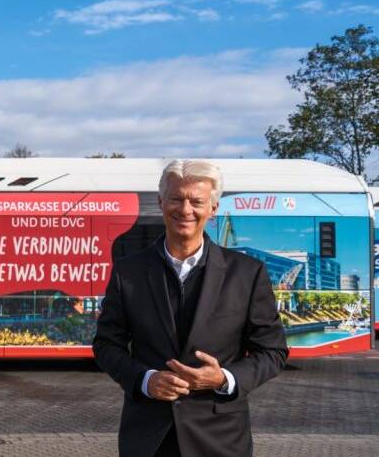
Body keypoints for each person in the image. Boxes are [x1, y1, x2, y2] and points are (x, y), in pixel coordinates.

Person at [93, 159, 288, 457]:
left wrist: (224, 378)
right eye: (176, 199)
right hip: (148, 440)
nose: (185, 210)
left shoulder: (248, 273)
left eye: (196, 201)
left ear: (213, 208)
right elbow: (106, 345)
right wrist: (145, 380)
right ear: (161, 202)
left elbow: (273, 351)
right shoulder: (128, 272)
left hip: (221, 440)